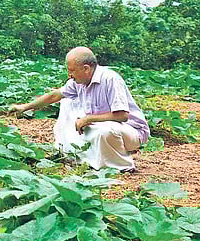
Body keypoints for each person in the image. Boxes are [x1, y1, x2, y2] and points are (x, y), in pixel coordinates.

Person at [12, 47, 150, 172]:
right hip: (104, 125)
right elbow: (54, 95)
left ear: (86, 69)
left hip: (131, 131)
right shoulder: (78, 82)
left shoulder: (110, 79)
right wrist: (25, 107)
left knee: (105, 131)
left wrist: (88, 119)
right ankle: (74, 154)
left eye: (72, 71)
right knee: (66, 104)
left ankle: (121, 167)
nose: (69, 75)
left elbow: (122, 116)